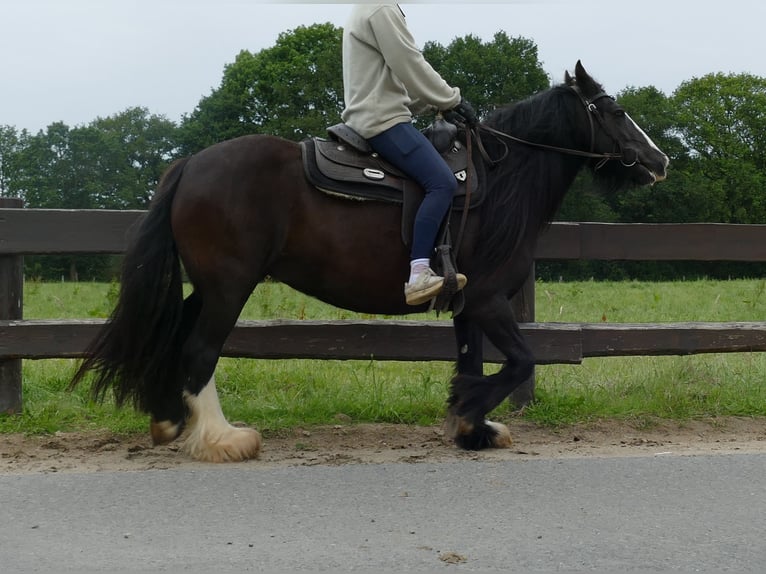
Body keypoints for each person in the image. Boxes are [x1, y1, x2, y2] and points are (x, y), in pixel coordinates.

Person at [341, 4, 479, 306]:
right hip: (382, 121)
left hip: (376, 114)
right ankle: (419, 274)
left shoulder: (368, 7)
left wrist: (435, 103)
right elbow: (409, 62)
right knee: (442, 182)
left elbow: (394, 79)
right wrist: (451, 98)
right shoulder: (381, 8)